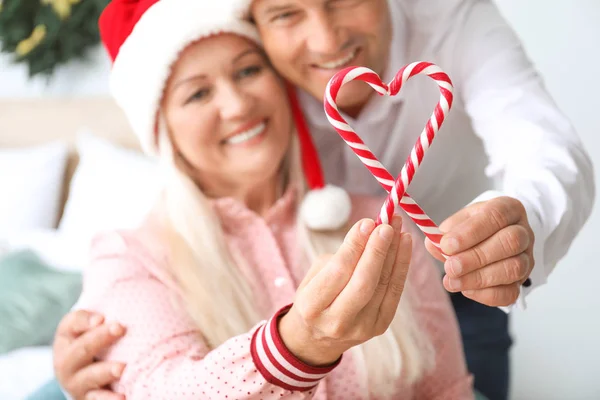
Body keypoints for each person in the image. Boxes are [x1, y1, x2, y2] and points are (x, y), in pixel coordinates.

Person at [52, 0, 596, 399]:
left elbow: (543, 148)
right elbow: (161, 382)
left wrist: (525, 219)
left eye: (247, 71)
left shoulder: (453, 22)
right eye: (287, 13)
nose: (325, 39)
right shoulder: (135, 258)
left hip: (458, 271)